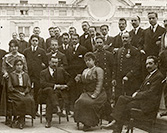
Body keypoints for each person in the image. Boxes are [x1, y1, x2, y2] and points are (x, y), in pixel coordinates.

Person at [105, 56, 164, 133]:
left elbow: (151, 93)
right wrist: (137, 92)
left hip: (148, 104)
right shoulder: (150, 75)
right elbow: (143, 88)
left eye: (150, 63)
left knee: (125, 106)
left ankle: (116, 126)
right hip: (142, 100)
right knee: (122, 98)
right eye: (146, 64)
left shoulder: (158, 76)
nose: (148, 66)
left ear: (156, 64)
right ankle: (116, 124)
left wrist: (137, 95)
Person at [74, 52, 107, 131]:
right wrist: (79, 78)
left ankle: (89, 123)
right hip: (87, 93)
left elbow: (99, 83)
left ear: (94, 60)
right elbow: (84, 81)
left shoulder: (98, 70)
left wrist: (95, 94)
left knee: (90, 103)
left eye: (89, 60)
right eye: (86, 61)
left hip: (99, 93)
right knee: (79, 101)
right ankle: (82, 121)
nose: (87, 62)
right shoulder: (85, 70)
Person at [40, 56, 71, 128]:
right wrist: (55, 86)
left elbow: (70, 79)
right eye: (53, 62)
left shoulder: (61, 70)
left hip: (57, 93)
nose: (54, 64)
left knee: (50, 99)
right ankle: (57, 107)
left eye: (56, 62)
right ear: (49, 62)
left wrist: (66, 86)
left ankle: (48, 120)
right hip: (45, 92)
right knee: (50, 90)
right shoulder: (43, 72)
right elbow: (42, 84)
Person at [113, 32, 141, 103]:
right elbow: (116, 65)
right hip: (119, 78)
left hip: (130, 79)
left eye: (126, 38)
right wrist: (114, 78)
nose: (124, 39)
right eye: (123, 38)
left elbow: (136, 66)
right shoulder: (119, 50)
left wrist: (128, 76)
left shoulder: (134, 50)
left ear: (130, 39)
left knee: (128, 97)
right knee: (118, 96)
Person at [24, 34, 48, 116]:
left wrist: (42, 66)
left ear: (38, 42)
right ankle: (27, 110)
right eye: (33, 40)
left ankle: (35, 111)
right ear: (30, 41)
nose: (34, 42)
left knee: (37, 93)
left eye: (36, 41)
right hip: (29, 75)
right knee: (27, 91)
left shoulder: (42, 51)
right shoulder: (26, 51)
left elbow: (46, 63)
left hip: (38, 75)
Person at [8, 59, 35, 129]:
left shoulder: (25, 75)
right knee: (22, 100)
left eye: (20, 65)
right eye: (17, 65)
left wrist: (25, 92)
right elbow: (10, 87)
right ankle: (21, 119)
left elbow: (28, 86)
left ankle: (21, 117)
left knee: (30, 99)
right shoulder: (11, 75)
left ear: (23, 66)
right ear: (14, 66)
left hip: (24, 91)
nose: (19, 67)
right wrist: (18, 92)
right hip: (14, 92)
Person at [93, 36, 114, 121]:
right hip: (96, 81)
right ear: (95, 44)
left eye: (100, 42)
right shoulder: (93, 55)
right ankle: (96, 118)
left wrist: (113, 78)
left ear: (104, 43)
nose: (99, 44)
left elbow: (113, 68)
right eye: (97, 43)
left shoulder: (109, 54)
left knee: (107, 100)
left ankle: (109, 118)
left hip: (106, 80)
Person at [68, 33, 87, 110]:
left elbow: (85, 63)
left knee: (79, 91)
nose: (74, 40)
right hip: (71, 74)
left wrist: (79, 74)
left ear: (78, 40)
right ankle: (73, 109)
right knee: (72, 92)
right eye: (73, 39)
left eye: (76, 39)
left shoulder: (83, 49)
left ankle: (80, 109)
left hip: (80, 75)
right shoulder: (69, 49)